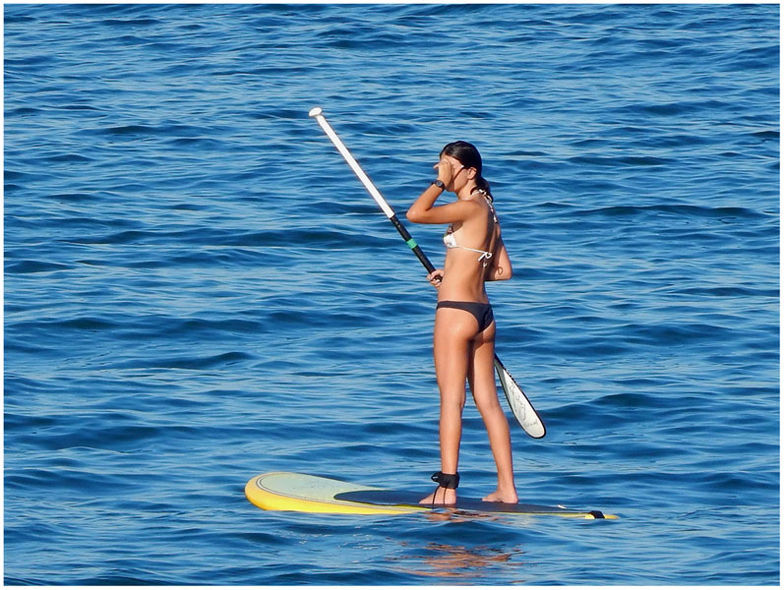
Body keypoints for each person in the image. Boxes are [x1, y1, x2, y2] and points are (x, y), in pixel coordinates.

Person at [406, 141, 517, 506]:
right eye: (438, 165)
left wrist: (439, 184)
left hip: (455, 313)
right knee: (487, 402)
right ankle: (507, 489)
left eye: (449, 166)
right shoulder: (489, 210)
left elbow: (416, 214)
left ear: (469, 172)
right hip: (483, 316)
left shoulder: (468, 207)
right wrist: (453, 271)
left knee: (451, 401)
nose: (442, 171)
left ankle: (447, 488)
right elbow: (502, 272)